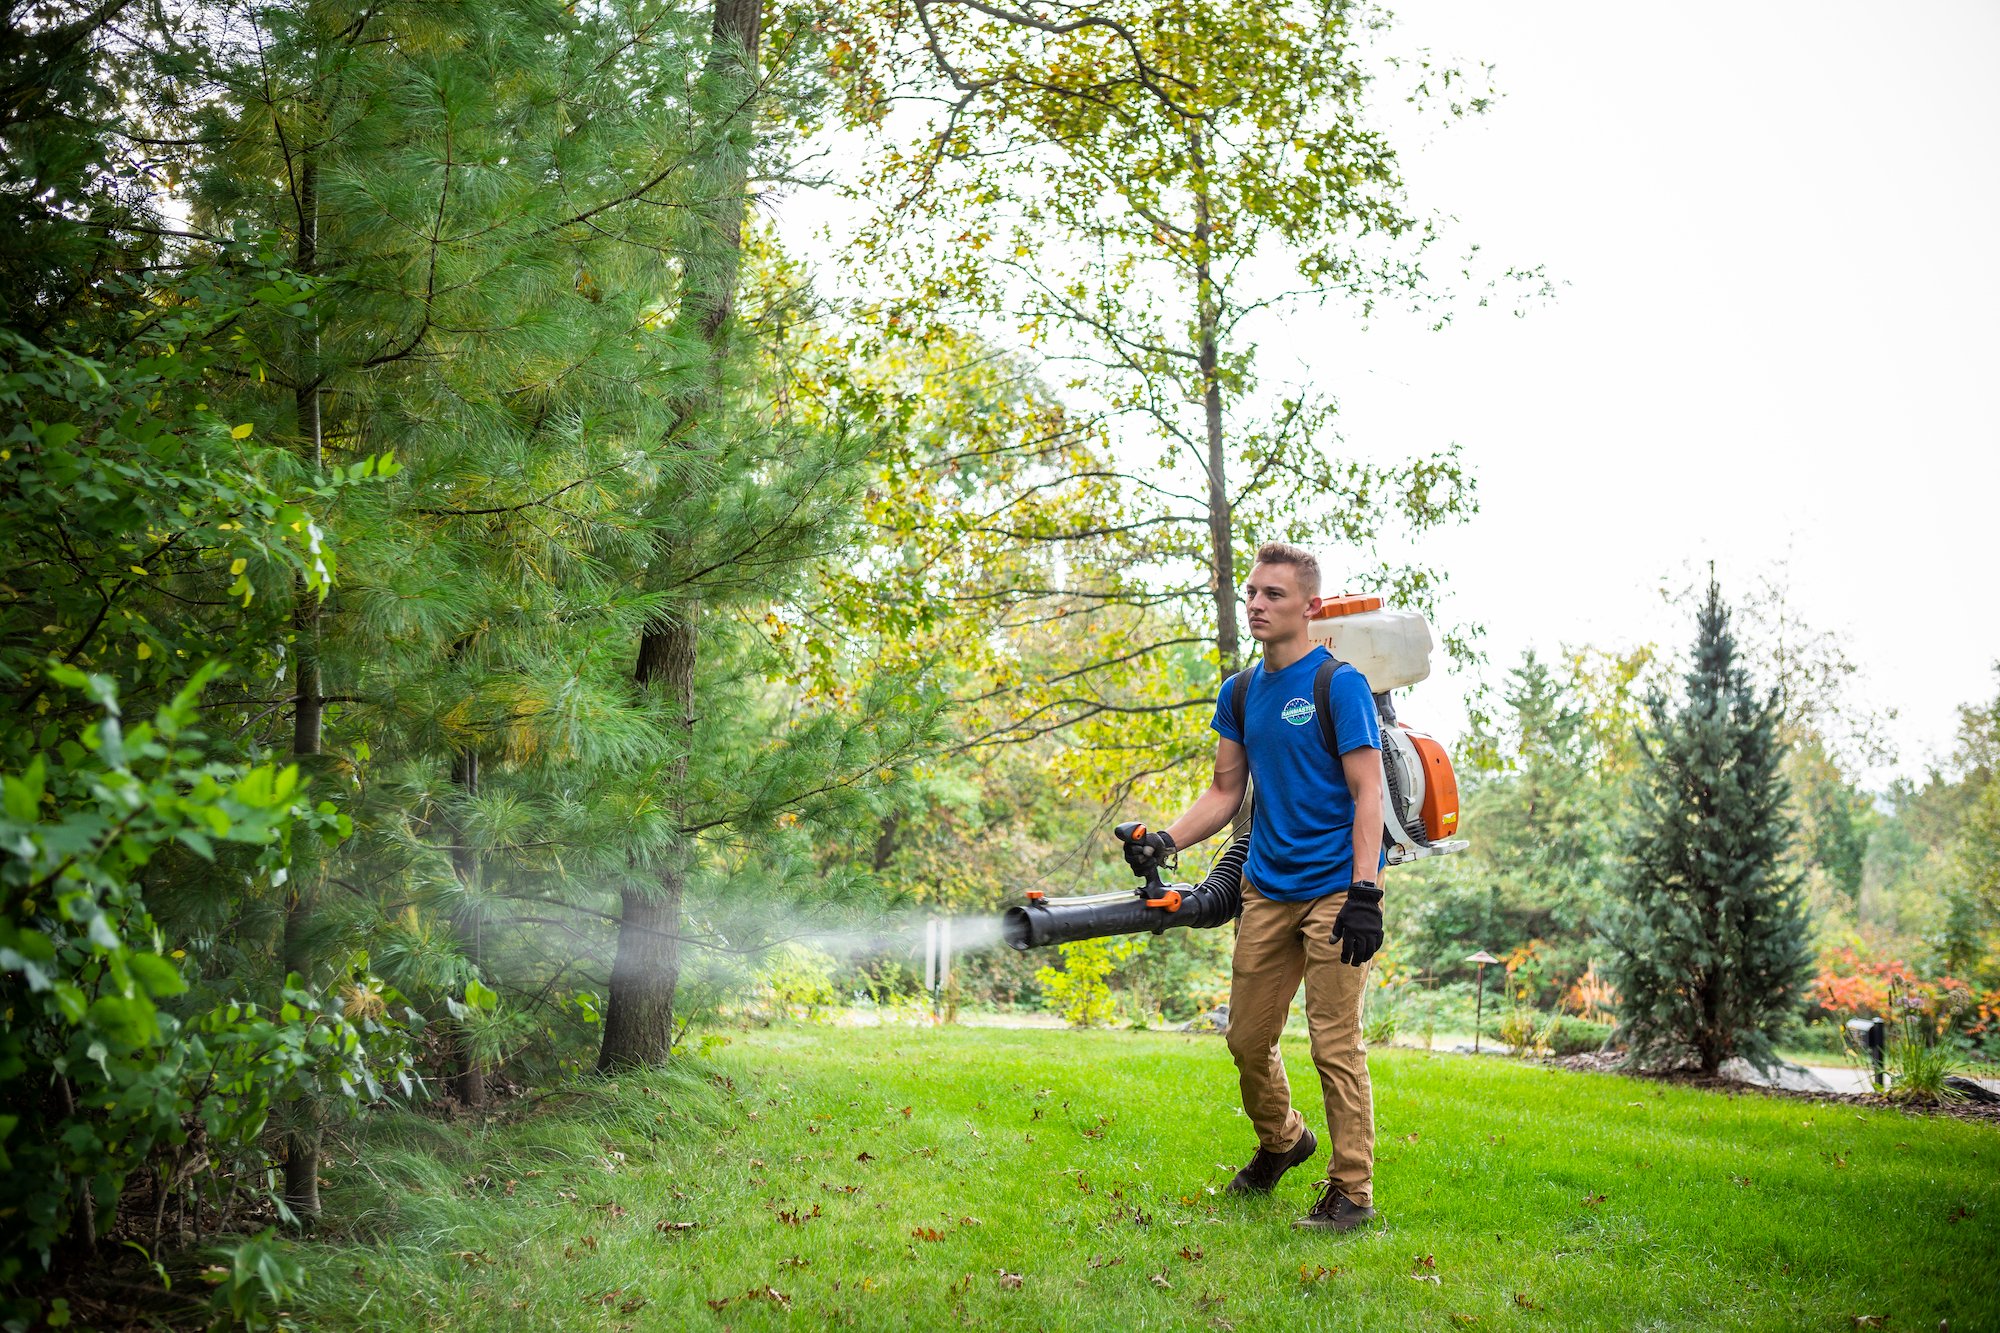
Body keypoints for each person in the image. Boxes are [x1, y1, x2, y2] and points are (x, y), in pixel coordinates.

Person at [1124, 542, 1386, 1232]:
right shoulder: (1241, 691)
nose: (1257, 604)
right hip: (1267, 887)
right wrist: (1167, 840)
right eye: (1251, 593)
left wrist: (1367, 893)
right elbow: (1224, 789)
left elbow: (1369, 792)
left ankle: (1351, 1191)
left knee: (1335, 1043)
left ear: (1310, 606)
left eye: (1273, 594)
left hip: (1335, 887)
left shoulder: (1339, 685)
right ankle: (1284, 1139)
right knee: (1246, 1038)